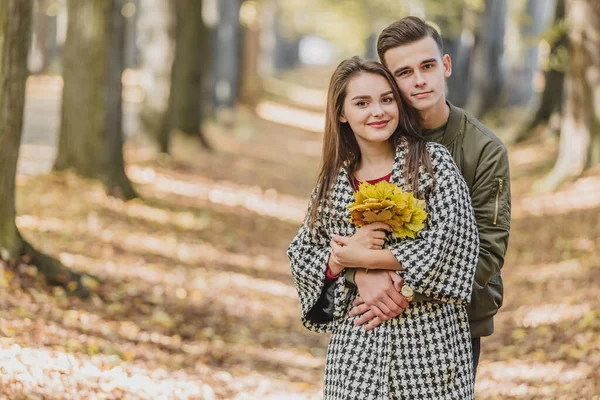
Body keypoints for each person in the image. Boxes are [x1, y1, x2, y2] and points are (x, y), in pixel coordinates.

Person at [288, 56, 479, 399]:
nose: (377, 111)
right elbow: (303, 256)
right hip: (357, 354)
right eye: (362, 103)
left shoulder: (432, 163)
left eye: (386, 99)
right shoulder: (332, 184)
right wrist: (348, 268)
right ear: (342, 113)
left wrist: (369, 258)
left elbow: (454, 245)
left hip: (429, 348)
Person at [343, 16, 512, 377]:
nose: (419, 79)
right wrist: (357, 275)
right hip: (371, 316)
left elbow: (488, 252)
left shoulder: (484, 150)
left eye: (428, 65)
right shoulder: (371, 139)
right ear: (389, 81)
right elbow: (334, 235)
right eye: (404, 72)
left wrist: (397, 291)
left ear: (445, 66)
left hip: (456, 320)